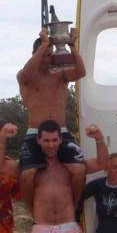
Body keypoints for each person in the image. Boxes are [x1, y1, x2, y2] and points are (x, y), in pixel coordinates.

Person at [17, 27, 87, 211]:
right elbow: (26, 74)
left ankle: (73, 207)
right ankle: (33, 212)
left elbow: (81, 72)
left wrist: (72, 45)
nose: (46, 59)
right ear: (35, 54)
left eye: (49, 55)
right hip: (35, 132)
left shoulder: (60, 73)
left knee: (79, 170)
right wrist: (44, 45)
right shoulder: (25, 76)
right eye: (43, 55)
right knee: (27, 175)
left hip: (60, 132)